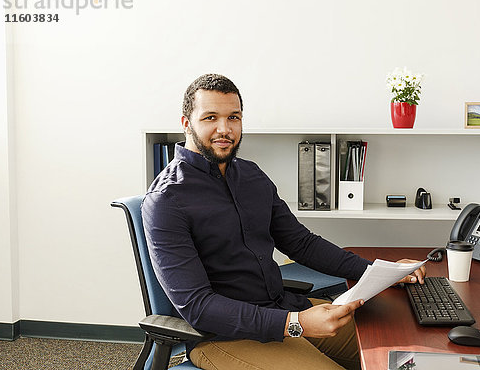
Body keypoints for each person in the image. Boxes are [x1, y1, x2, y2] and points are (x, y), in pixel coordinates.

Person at [142, 74, 426, 370]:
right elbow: (198, 307)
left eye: (234, 117)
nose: (224, 129)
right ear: (187, 123)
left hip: (283, 309)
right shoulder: (165, 200)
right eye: (210, 117)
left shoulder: (252, 176)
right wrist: (295, 323)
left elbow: (301, 244)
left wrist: (379, 272)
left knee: (402, 352)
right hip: (223, 337)